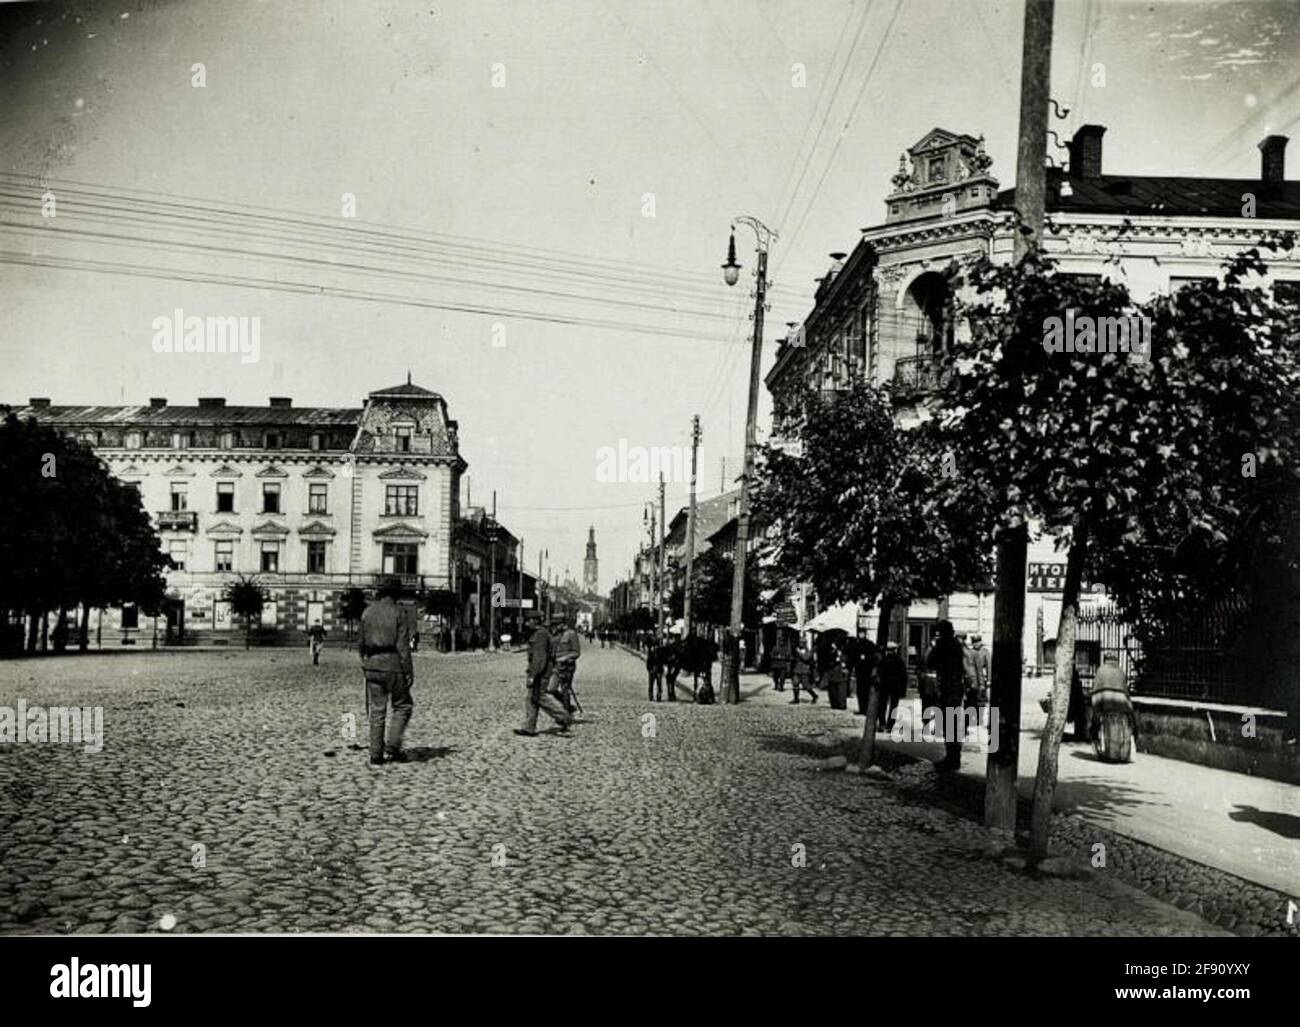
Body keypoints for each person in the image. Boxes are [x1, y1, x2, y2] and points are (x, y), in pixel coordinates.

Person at [359, 578, 414, 766]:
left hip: (372, 665)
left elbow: (361, 643)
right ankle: (392, 746)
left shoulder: (367, 612)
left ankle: (375, 754)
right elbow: (403, 647)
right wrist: (408, 671)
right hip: (392, 665)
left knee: (377, 709)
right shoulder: (399, 612)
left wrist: (366, 663)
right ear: (396, 594)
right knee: (403, 705)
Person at [515, 612, 572, 737]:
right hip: (540, 671)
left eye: (529, 620)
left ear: (535, 621)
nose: (527, 623)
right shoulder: (541, 633)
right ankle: (528, 728)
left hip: (540, 673)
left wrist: (533, 675)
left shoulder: (541, 634)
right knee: (531, 699)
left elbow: (539, 658)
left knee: (540, 697)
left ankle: (564, 716)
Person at [925, 619, 967, 771]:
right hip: (957, 688)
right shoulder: (957, 645)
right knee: (954, 724)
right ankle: (954, 757)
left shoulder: (942, 644)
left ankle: (951, 759)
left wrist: (935, 646)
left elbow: (930, 662)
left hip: (947, 688)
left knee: (948, 725)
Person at [1089, 653, 1136, 762]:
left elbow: (1096, 689)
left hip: (1106, 704)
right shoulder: (1120, 672)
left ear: (1105, 659)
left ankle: (1109, 754)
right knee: (1121, 730)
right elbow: (1125, 690)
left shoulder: (1100, 671)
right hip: (1120, 704)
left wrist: (1097, 705)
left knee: (1106, 728)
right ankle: (1122, 755)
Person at [551, 615, 581, 713]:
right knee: (552, 689)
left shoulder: (571, 634)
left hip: (566, 667)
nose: (556, 626)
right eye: (554, 624)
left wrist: (566, 658)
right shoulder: (554, 635)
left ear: (563, 624)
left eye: (557, 624)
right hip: (555, 666)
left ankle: (565, 712)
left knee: (565, 689)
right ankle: (568, 706)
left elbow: (576, 652)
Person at [876, 641, 908, 729]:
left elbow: (878, 673)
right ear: (895, 650)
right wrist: (903, 689)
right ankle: (890, 724)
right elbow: (903, 676)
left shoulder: (883, 660)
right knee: (894, 706)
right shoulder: (899, 661)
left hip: (884, 686)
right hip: (895, 686)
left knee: (882, 705)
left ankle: (882, 723)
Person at [967, 634, 990, 728]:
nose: (976, 644)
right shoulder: (970, 652)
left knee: (981, 700)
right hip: (973, 679)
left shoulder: (985, 652)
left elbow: (989, 666)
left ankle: (979, 718)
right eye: (974, 642)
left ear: (980, 642)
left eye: (977, 642)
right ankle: (972, 717)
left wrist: (989, 679)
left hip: (982, 678)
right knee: (971, 699)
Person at [853, 635, 879, 717]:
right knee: (861, 691)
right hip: (861, 672)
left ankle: (865, 708)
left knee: (865, 691)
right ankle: (862, 708)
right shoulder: (857, 645)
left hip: (866, 673)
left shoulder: (869, 646)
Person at [790, 633, 817, 704]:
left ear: (805, 643)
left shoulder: (808, 651)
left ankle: (814, 696)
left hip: (804, 671)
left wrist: (800, 653)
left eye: (802, 643)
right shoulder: (797, 650)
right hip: (797, 670)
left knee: (806, 686)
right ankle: (796, 699)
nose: (800, 644)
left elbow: (806, 658)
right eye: (799, 642)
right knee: (795, 684)